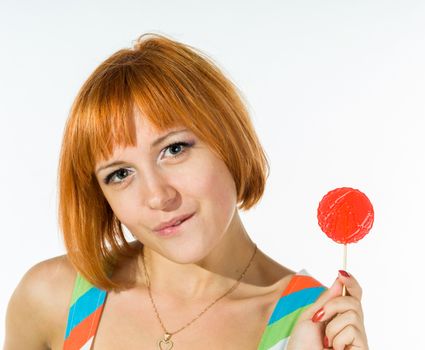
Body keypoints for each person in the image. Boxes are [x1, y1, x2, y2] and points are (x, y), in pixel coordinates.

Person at [4, 33, 369, 350]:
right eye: (120, 174)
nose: (158, 197)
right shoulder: (54, 297)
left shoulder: (314, 324)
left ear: (228, 139)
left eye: (175, 149)